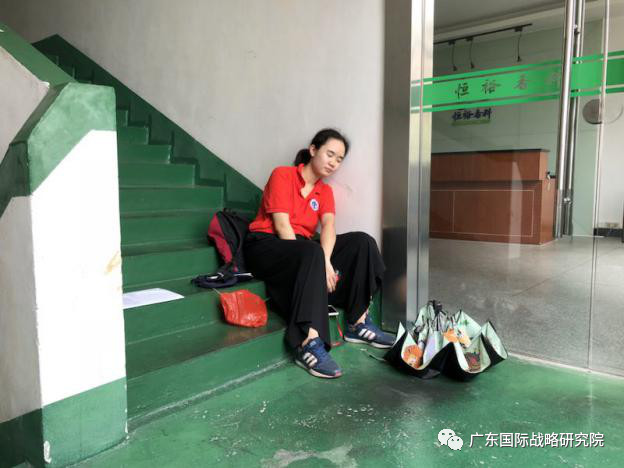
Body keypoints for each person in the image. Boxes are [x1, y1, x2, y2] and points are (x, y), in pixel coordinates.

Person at [243, 128, 394, 379]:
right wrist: (314, 259)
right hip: (266, 244)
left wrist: (325, 262)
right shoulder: (283, 174)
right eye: (330, 154)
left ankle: (357, 322)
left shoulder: (324, 191)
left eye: (339, 159)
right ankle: (308, 341)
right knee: (311, 250)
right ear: (313, 150)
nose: (334, 163)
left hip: (304, 249)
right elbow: (281, 225)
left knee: (363, 242)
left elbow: (329, 228)